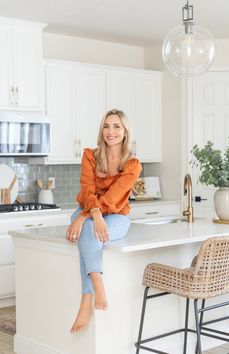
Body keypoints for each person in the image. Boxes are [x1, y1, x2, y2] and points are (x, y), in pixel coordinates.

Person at [66, 109, 142, 333]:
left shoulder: (132, 164)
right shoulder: (90, 155)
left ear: (125, 131)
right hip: (90, 211)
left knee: (87, 229)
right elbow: (87, 189)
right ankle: (97, 283)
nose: (111, 131)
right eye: (106, 126)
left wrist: (83, 216)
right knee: (90, 230)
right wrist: (93, 215)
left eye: (117, 126)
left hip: (118, 215)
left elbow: (113, 198)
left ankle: (86, 299)